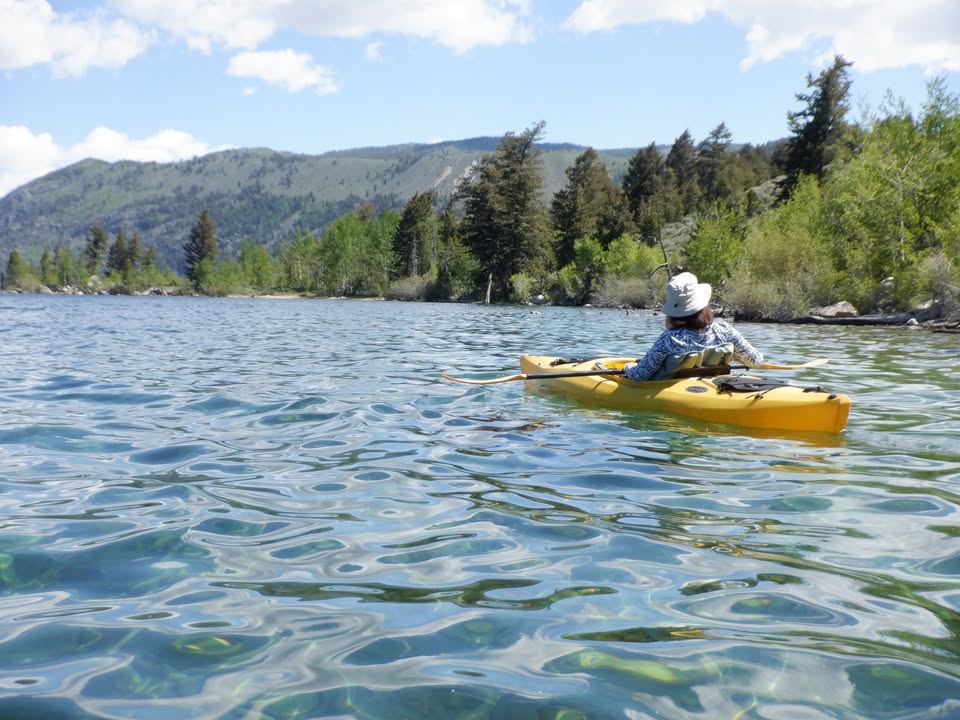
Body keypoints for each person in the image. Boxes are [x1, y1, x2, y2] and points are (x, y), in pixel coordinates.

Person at [620, 272, 763, 381]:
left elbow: (640, 375)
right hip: (713, 388)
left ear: (674, 313)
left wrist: (628, 367)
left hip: (679, 392)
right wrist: (735, 357)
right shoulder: (724, 331)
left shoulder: (670, 339)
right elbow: (755, 360)